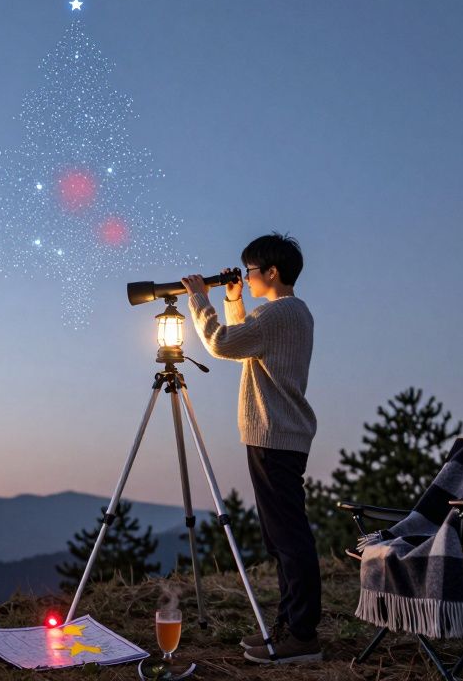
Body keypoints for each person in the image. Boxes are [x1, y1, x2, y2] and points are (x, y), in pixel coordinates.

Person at [180, 233, 322, 665]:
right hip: (278, 435)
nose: (247, 276)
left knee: (288, 538)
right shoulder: (290, 314)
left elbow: (223, 343)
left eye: (251, 270)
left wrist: (200, 300)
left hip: (275, 436)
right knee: (281, 538)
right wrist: (232, 301)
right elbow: (247, 343)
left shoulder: (278, 314)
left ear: (272, 272)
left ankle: (301, 635)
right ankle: (289, 627)